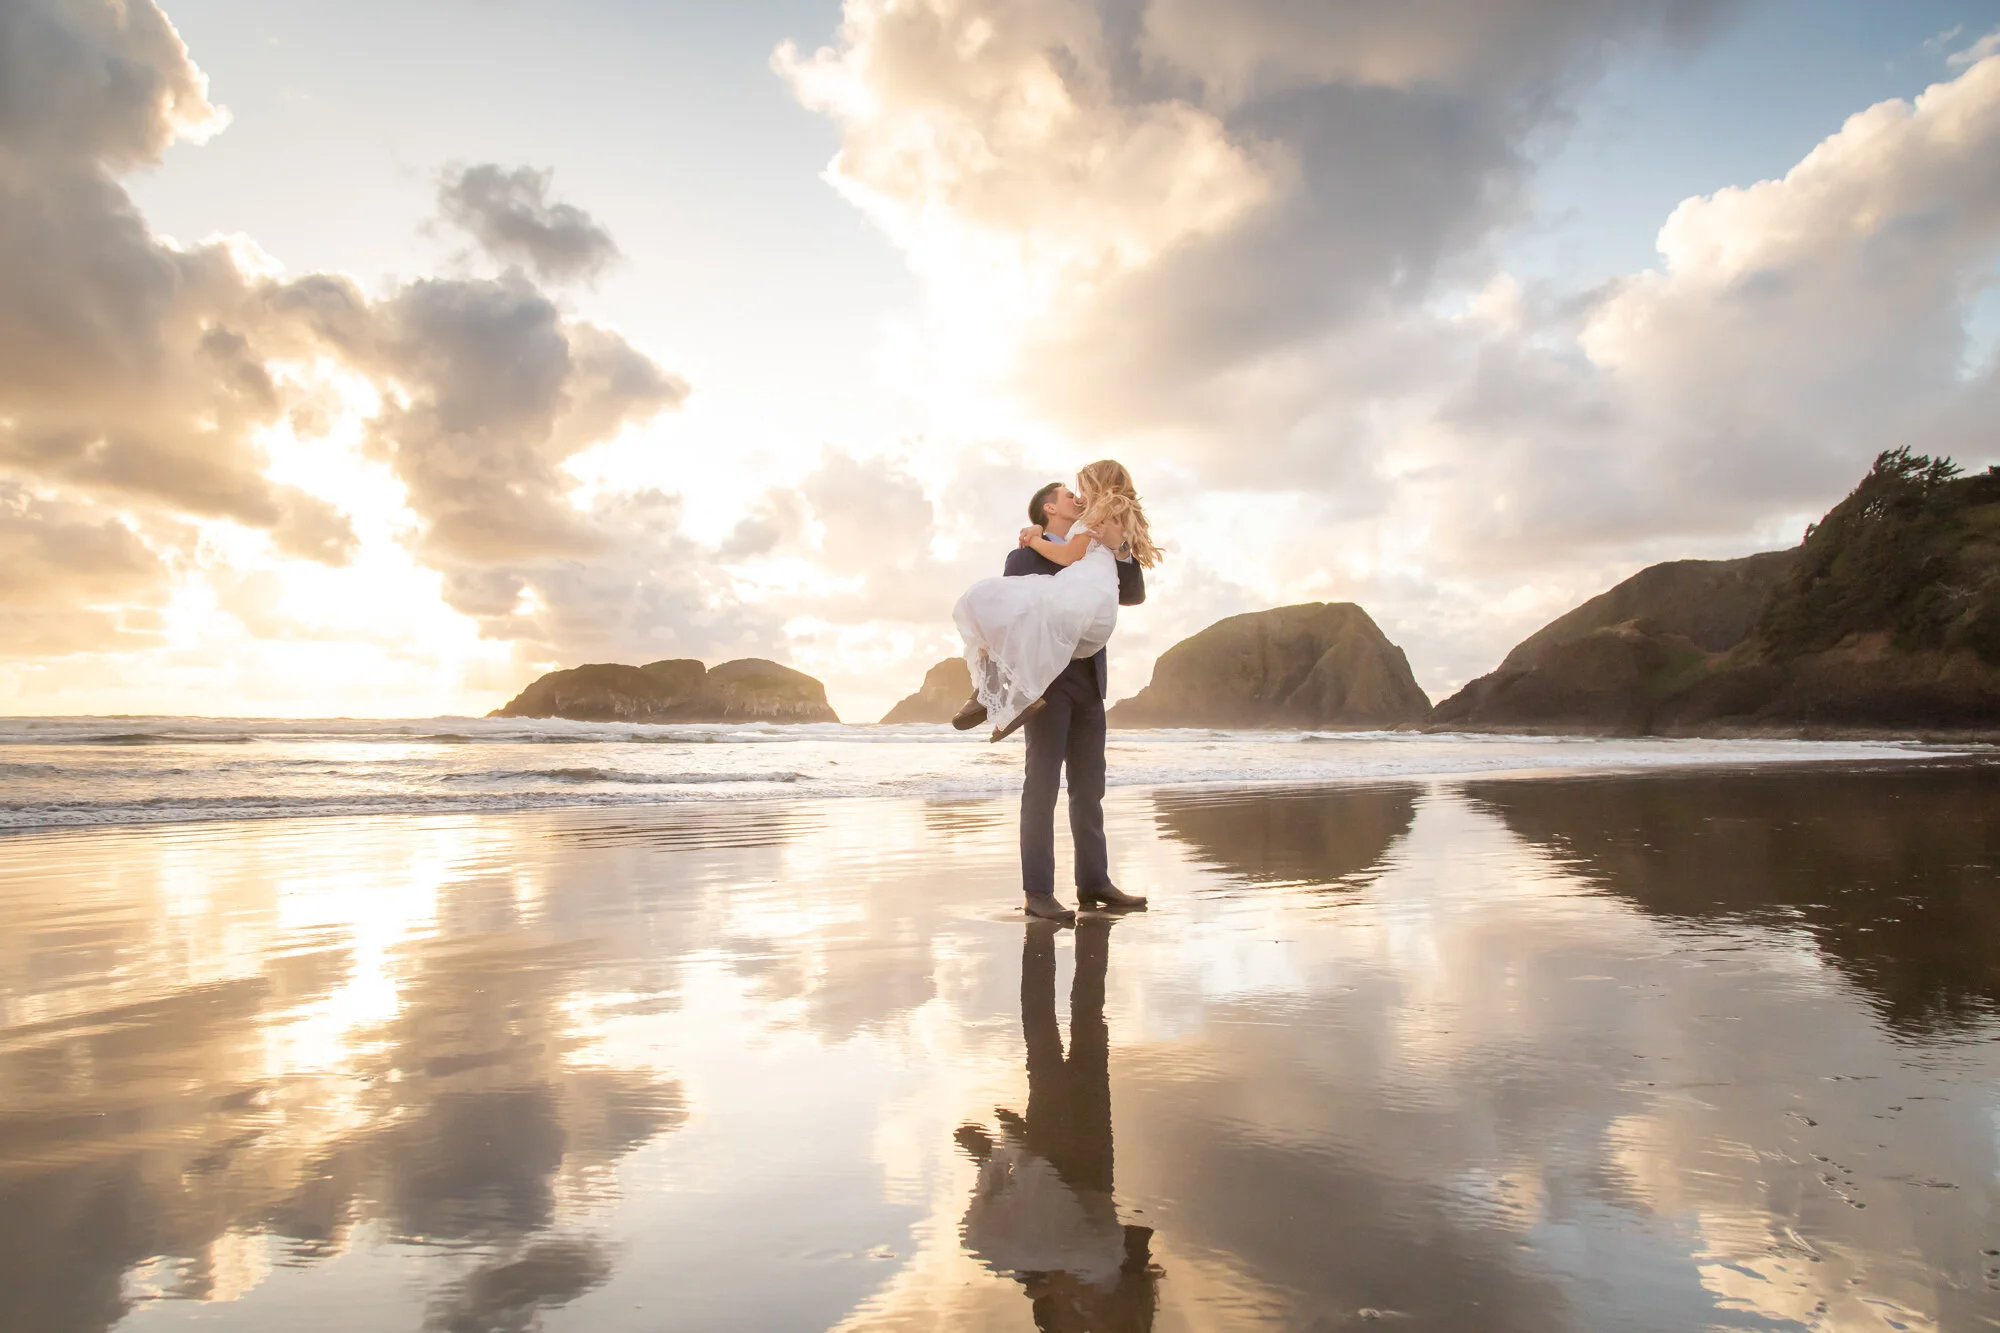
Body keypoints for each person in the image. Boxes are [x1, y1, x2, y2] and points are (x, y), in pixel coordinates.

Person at [951, 461, 1159, 923]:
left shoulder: (1099, 539)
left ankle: (1094, 883)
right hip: (1046, 687)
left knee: (1090, 788)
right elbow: (1010, 621)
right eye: (1068, 494)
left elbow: (1134, 594)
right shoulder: (1025, 555)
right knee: (1041, 787)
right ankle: (1038, 892)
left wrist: (1119, 548)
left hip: (1089, 683)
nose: (1078, 498)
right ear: (1049, 507)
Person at [955, 917, 1159, 1329]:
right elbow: (1133, 1240)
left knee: (1061, 1044)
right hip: (1082, 1170)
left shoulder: (1011, 1255)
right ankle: (998, 1154)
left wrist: (1004, 1154)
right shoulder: (1095, 1267)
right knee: (1067, 1043)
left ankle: (998, 1154)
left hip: (1068, 1168)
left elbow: (1131, 1240)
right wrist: (1006, 1150)